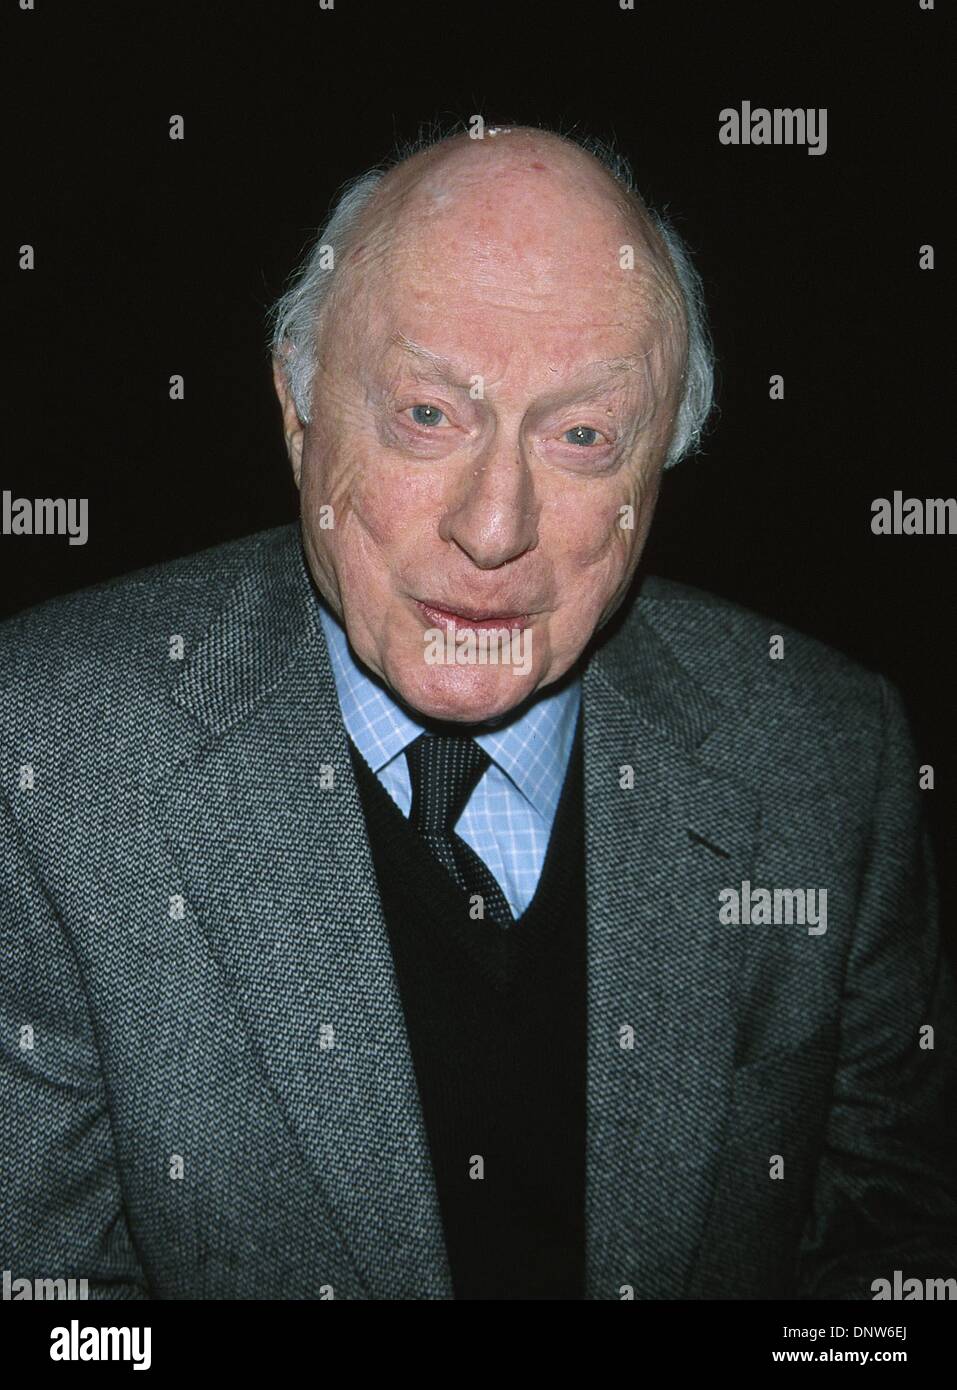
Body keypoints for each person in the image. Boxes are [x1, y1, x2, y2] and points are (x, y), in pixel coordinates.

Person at [2, 126, 954, 1300]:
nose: (494, 527)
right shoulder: (47, 756)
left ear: (661, 465)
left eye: (584, 436)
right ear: (297, 408)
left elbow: (894, 1263)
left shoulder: (829, 754)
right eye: (427, 414)